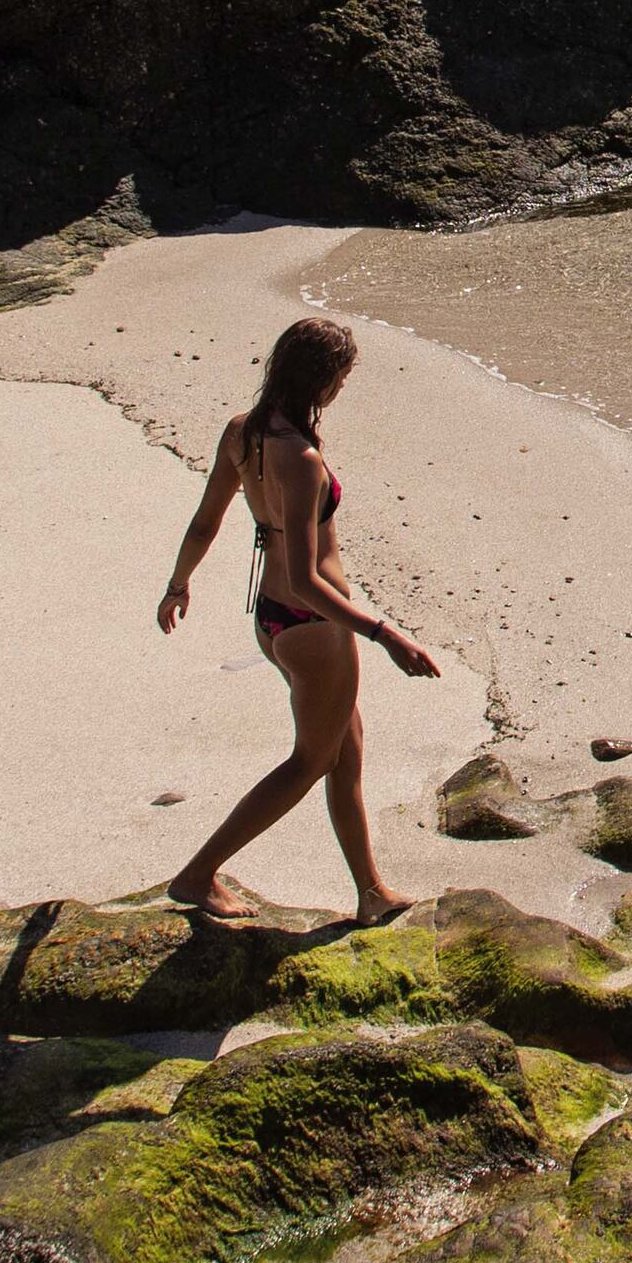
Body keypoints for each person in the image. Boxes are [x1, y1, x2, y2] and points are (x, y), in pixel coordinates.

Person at [154, 315, 443, 923]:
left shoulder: (243, 433)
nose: (340, 389)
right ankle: (197, 874)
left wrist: (178, 584)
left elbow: (206, 521)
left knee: (346, 748)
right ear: (321, 380)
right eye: (339, 378)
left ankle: (370, 892)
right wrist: (385, 634)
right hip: (315, 625)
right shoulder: (303, 459)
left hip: (271, 620)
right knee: (310, 761)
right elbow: (311, 579)